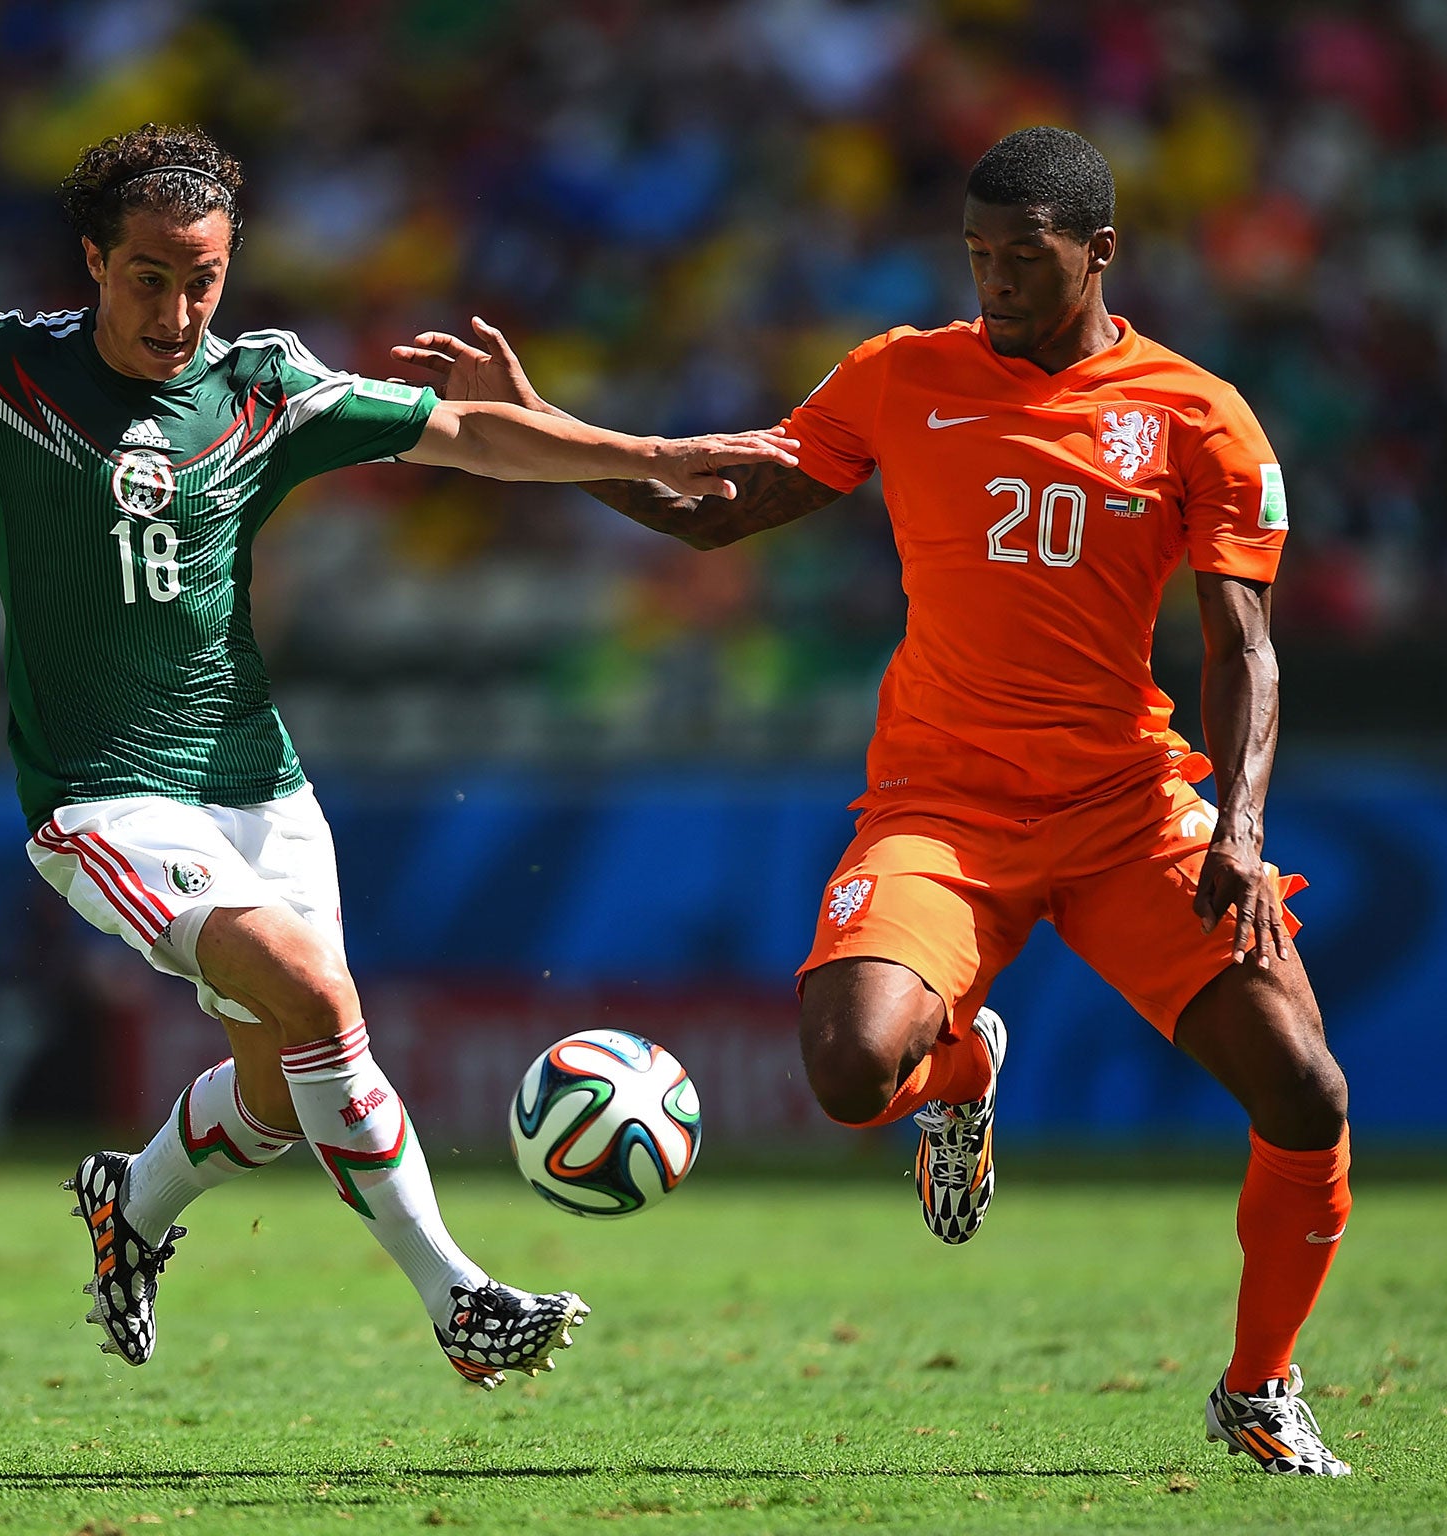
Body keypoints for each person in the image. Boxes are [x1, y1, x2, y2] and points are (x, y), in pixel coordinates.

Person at [0, 122, 797, 1392]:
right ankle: (458, 1297)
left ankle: (132, 1197)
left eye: (203, 280)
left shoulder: (266, 389)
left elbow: (463, 436)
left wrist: (652, 452)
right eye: (149, 278)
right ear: (93, 260)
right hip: (100, 800)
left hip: (260, 786)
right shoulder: (2, 372)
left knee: (283, 1093)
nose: (179, 311)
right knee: (316, 999)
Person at [396, 125, 1354, 1471]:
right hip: (944, 807)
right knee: (852, 1074)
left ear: (1101, 253)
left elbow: (1242, 646)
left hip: (1129, 809)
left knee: (1304, 1091)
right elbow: (711, 507)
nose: (996, 282)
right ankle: (962, 1073)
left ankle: (1260, 1386)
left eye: (1025, 258)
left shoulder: (1200, 415)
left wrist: (1241, 836)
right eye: (977, 256)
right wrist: (545, 424)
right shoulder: (903, 376)